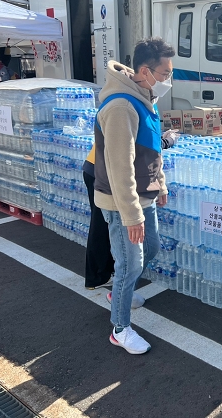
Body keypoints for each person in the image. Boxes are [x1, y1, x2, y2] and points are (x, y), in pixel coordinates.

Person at [94, 37, 174, 354]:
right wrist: (130, 215)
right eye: (165, 72)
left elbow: (152, 150)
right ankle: (120, 328)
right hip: (122, 203)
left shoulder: (144, 99)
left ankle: (118, 291)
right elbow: (119, 166)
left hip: (145, 196)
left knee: (149, 249)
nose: (168, 79)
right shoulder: (121, 106)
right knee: (130, 264)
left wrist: (161, 184)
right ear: (145, 70)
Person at [82, 129, 179, 291]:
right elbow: (142, 148)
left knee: (102, 224)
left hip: (96, 166)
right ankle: (98, 276)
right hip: (104, 172)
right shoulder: (130, 109)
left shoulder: (131, 107)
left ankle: (102, 273)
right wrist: (167, 141)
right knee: (103, 225)